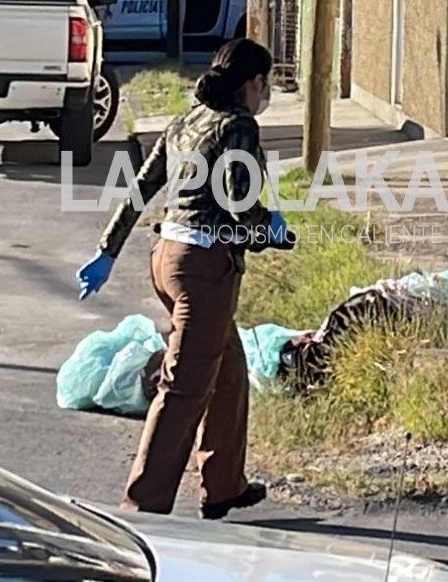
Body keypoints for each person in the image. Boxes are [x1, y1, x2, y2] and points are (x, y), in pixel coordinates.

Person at [75, 37, 291, 520]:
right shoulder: (239, 127)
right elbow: (240, 203)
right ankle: (141, 509)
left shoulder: (185, 122)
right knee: (183, 389)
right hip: (204, 269)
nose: (267, 93)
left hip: (166, 259)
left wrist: (106, 251)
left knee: (229, 373)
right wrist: (271, 231)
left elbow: (141, 188)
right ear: (253, 84)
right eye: (266, 83)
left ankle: (224, 485)